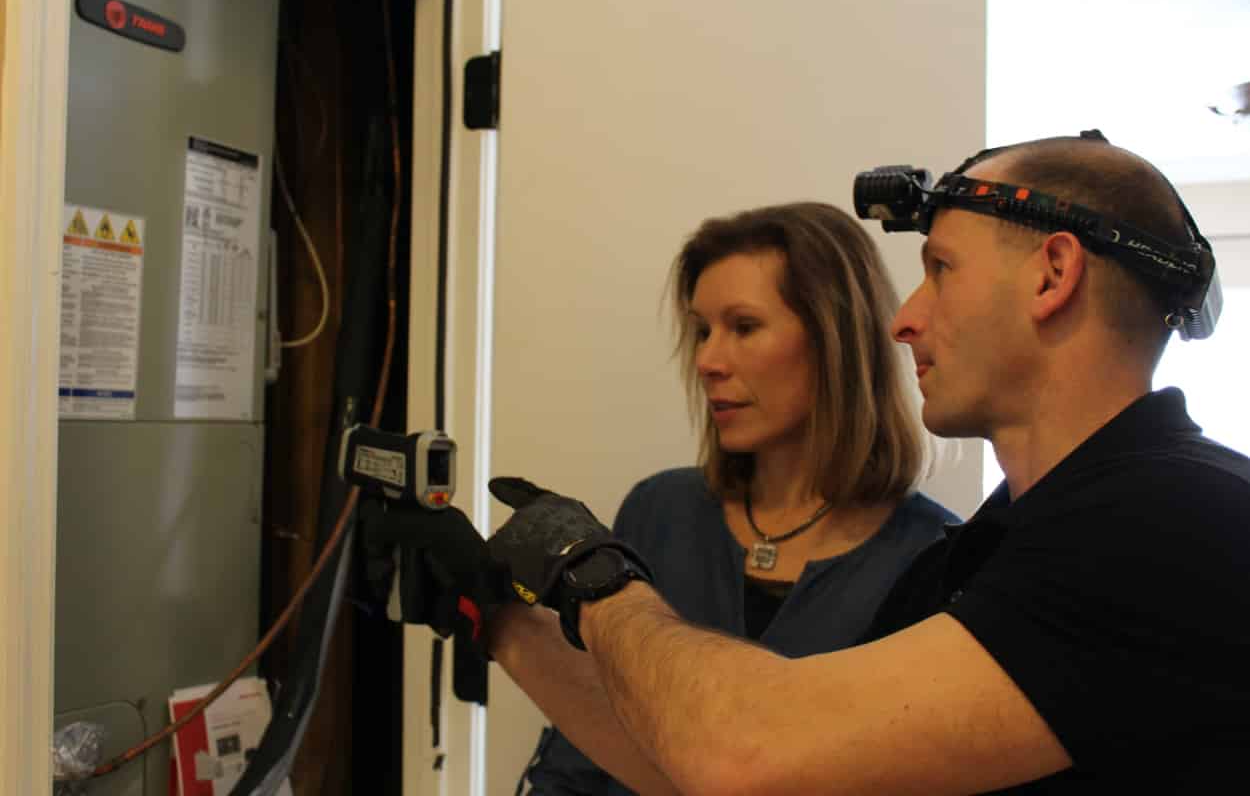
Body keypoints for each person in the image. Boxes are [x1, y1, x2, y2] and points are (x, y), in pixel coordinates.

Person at [416, 131, 1250, 794]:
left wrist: (590, 578)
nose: (906, 321)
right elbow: (720, 771)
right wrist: (500, 621)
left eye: (941, 270)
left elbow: (747, 751)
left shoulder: (1173, 516)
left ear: (1053, 275)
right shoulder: (979, 560)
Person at [519, 203, 959, 795]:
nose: (707, 360)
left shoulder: (933, 559)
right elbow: (573, 767)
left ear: (835, 340)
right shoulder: (659, 511)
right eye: (703, 330)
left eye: (744, 327)